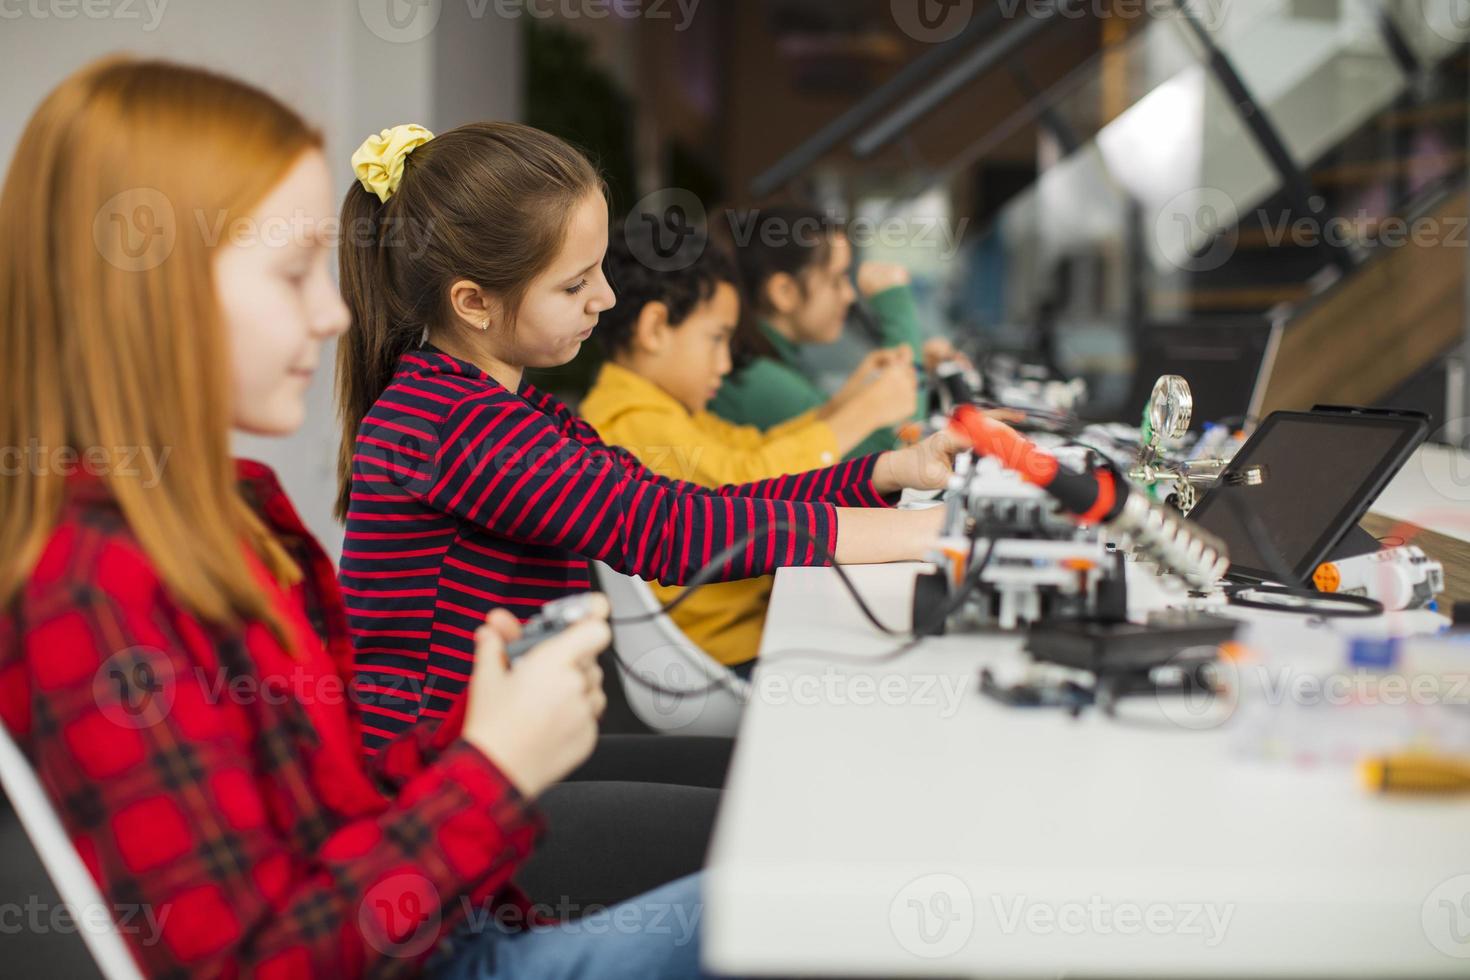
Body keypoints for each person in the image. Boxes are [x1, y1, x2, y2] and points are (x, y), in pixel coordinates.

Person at [0, 57, 709, 978]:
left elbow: (335, 804)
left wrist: (475, 729)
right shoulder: (88, 588)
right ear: (153, 292)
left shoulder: (228, 510)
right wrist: (492, 771)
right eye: (293, 274)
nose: (337, 314)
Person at [335, 122, 969, 750]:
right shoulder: (455, 421)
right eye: (575, 283)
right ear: (473, 303)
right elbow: (664, 529)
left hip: (514, 750)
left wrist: (885, 473)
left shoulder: (502, 406)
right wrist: (918, 532)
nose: (606, 298)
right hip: (448, 779)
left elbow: (682, 499)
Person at [583, 230, 1010, 670]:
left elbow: (752, 451)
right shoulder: (633, 420)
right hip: (735, 650)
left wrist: (846, 408)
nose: (726, 364)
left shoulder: (655, 407)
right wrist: (863, 414)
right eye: (716, 339)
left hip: (755, 626)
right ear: (654, 329)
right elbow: (747, 485)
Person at [710, 206, 967, 458]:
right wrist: (896, 307)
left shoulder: (767, 363)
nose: (849, 295)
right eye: (837, 279)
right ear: (784, 292)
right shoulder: (756, 381)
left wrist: (917, 360)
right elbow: (893, 454)